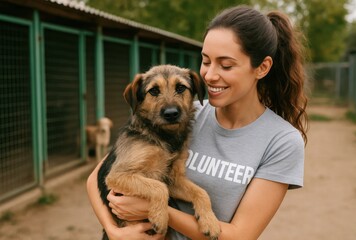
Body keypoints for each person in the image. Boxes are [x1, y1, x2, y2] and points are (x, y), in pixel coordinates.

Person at [87, 5, 308, 240]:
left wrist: (161, 210)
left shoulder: (281, 141)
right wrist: (112, 231)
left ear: (262, 68)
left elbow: (240, 236)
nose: (210, 75)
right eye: (205, 61)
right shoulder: (184, 115)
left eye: (226, 65)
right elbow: (99, 176)